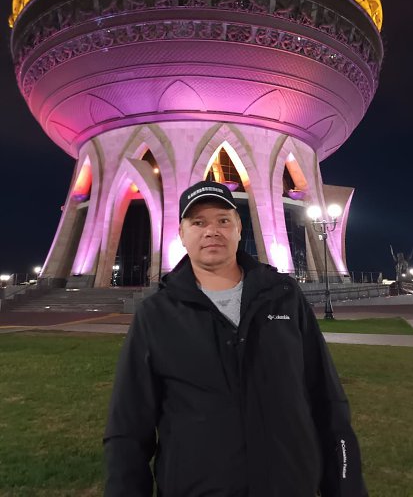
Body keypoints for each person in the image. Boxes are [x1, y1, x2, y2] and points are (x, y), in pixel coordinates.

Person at [104, 180, 368, 496]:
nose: (211, 231)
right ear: (182, 234)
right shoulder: (156, 314)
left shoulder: (283, 298)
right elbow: (128, 429)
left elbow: (327, 402)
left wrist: (347, 487)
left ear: (239, 228)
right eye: (198, 222)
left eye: (223, 220)